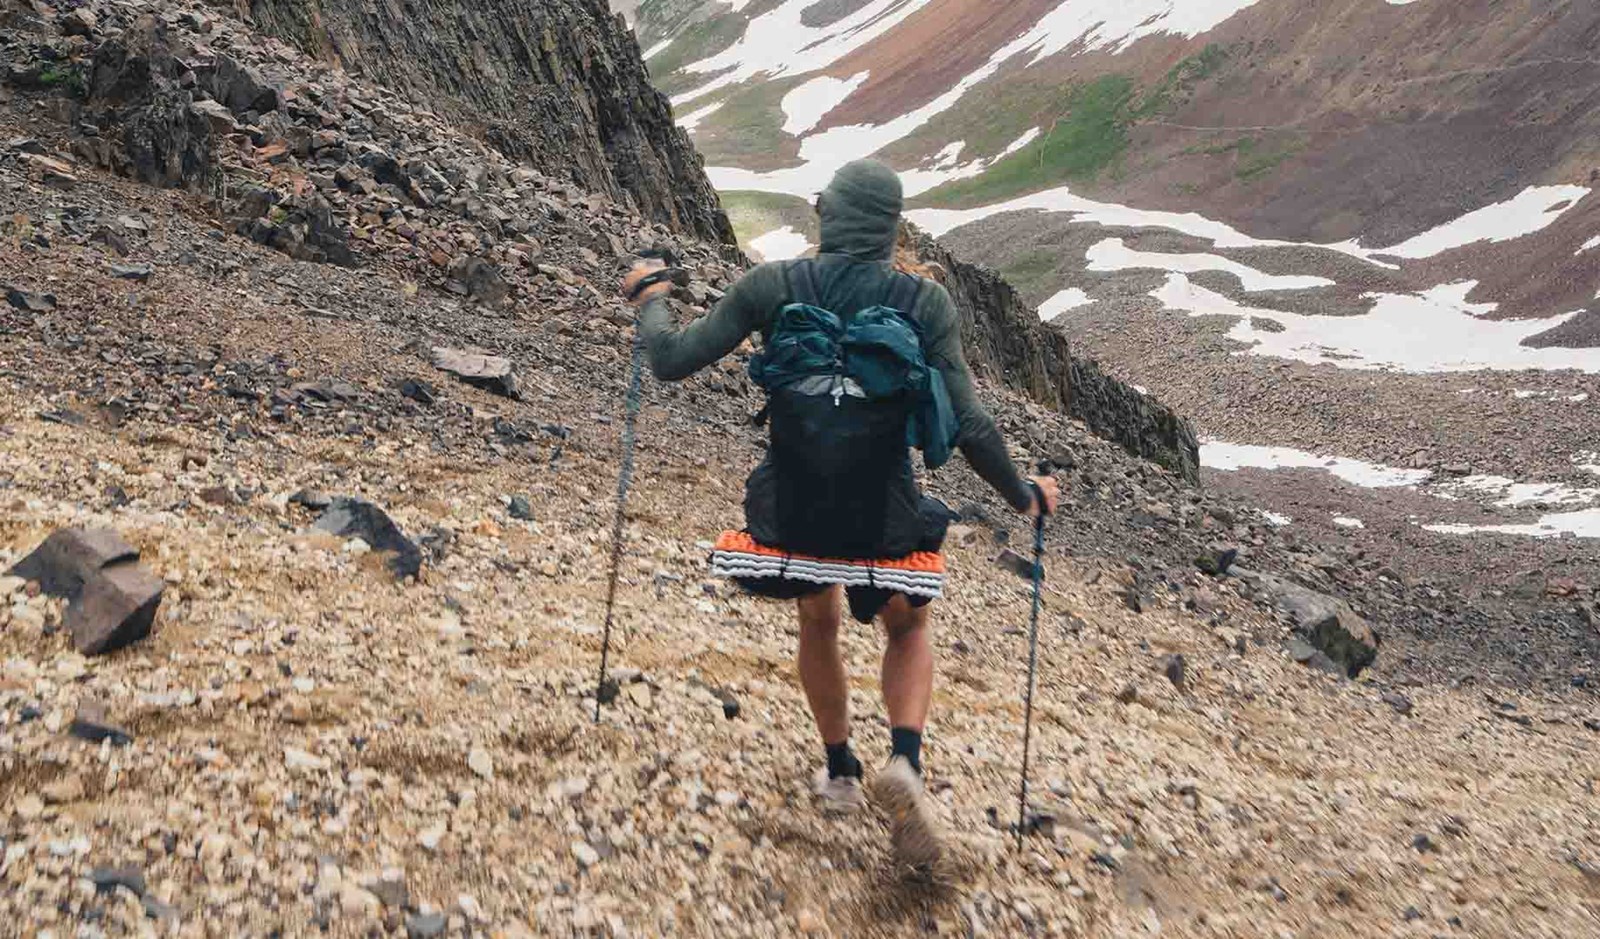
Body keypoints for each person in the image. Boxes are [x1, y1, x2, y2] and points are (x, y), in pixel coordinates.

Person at [622, 160, 1059, 868]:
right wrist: (1024, 493)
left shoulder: (772, 285)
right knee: (908, 622)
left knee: (816, 614)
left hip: (788, 515)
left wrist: (651, 297)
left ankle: (839, 770)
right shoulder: (925, 304)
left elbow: (670, 360)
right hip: (882, 519)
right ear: (891, 227)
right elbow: (972, 427)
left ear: (827, 216)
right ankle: (906, 762)